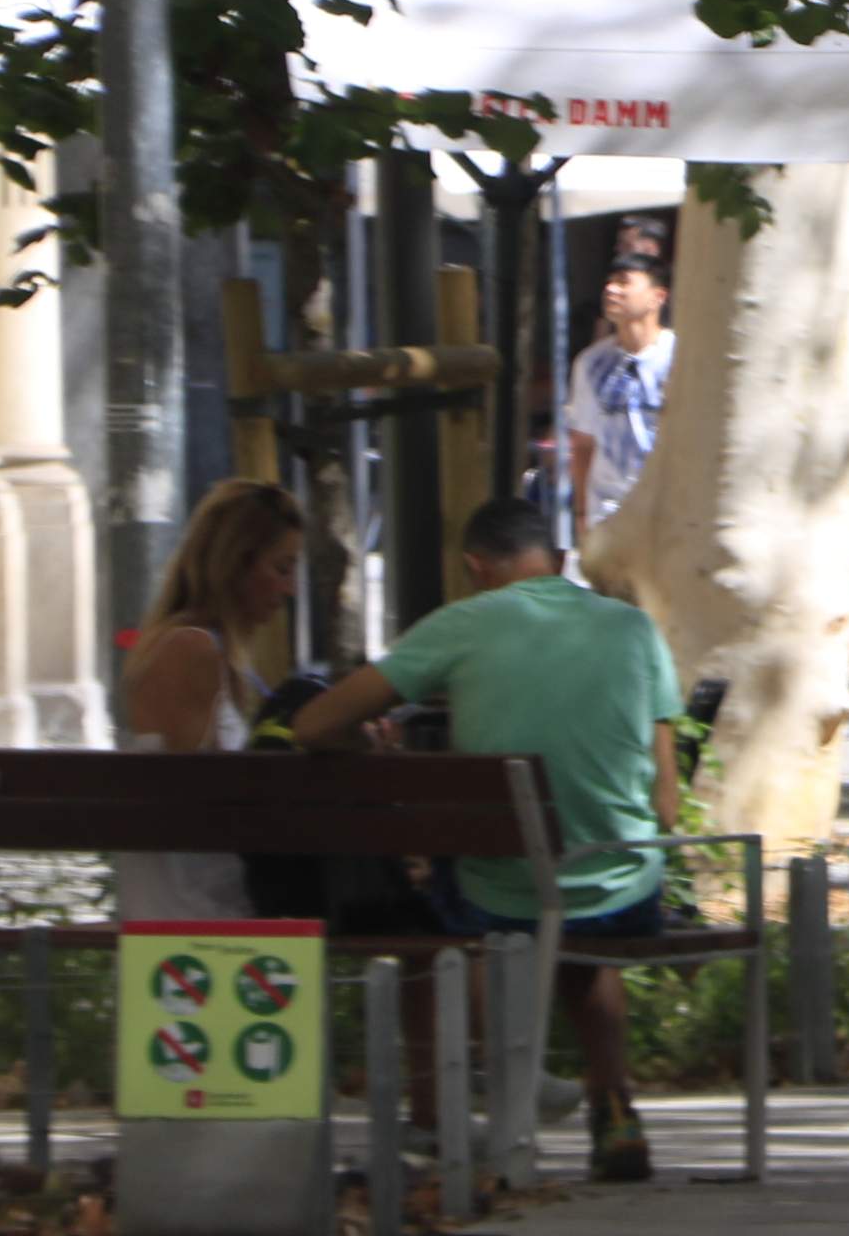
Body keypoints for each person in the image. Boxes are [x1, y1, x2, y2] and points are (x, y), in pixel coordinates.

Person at [279, 498, 690, 1182]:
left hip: (501, 892)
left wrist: (374, 745)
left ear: (475, 568)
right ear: (559, 564)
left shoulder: (460, 626)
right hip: (621, 888)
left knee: (465, 899)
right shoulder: (633, 628)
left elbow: (314, 725)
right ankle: (612, 1098)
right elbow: (667, 801)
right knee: (580, 914)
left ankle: (485, 1082)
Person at [114, 479, 308, 921]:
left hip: (199, 900)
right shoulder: (191, 650)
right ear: (235, 565)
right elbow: (186, 806)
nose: (290, 589)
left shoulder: (197, 647)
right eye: (281, 568)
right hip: (192, 913)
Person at [562, 252, 678, 539]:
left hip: (667, 511)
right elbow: (583, 444)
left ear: (657, 297)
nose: (611, 290)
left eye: (624, 282)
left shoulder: (680, 358)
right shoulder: (590, 364)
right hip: (608, 512)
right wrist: (582, 514)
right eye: (609, 282)